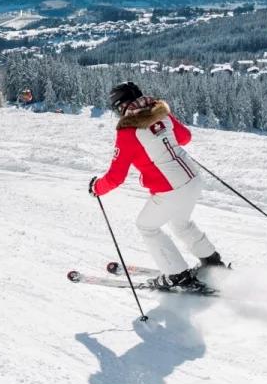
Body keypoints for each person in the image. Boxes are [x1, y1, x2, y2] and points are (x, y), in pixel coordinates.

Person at [89, 82, 225, 290]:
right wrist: (163, 141)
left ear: (121, 106)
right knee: (181, 223)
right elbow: (185, 137)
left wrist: (97, 188)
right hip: (192, 179)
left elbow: (116, 177)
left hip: (171, 188)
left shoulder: (128, 131)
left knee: (147, 226)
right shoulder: (161, 113)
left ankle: (177, 274)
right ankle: (213, 262)